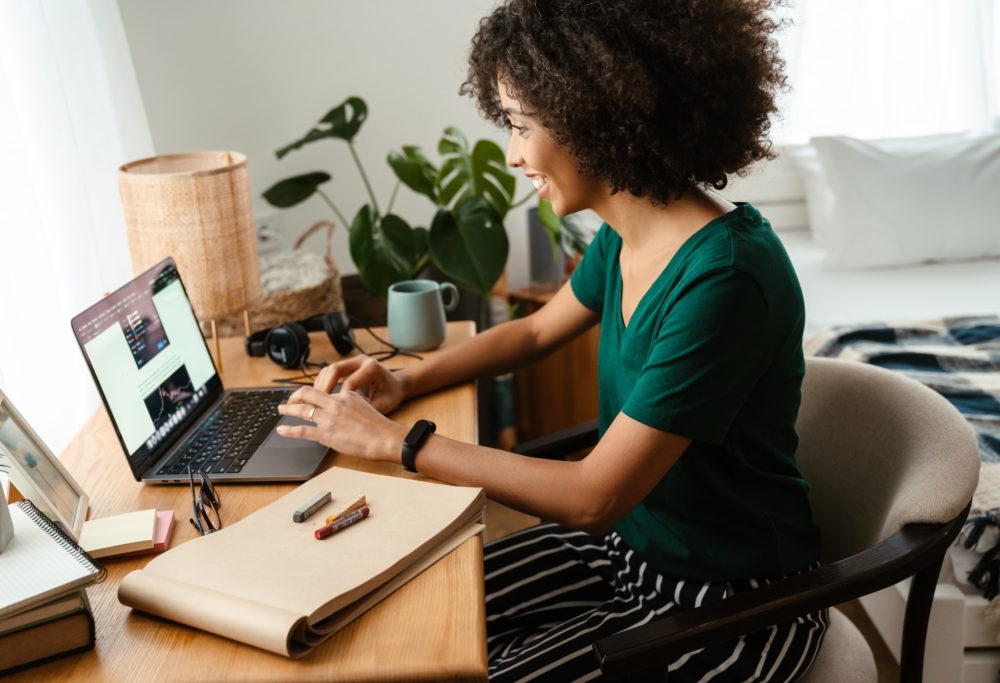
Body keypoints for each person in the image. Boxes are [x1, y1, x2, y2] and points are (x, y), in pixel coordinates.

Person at [276, 0, 825, 679]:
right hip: (628, 551)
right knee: (401, 616)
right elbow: (536, 329)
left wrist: (399, 442)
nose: (511, 154)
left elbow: (595, 495)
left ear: (596, 113)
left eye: (521, 125)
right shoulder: (630, 234)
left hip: (734, 605)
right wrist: (408, 380)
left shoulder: (725, 279)